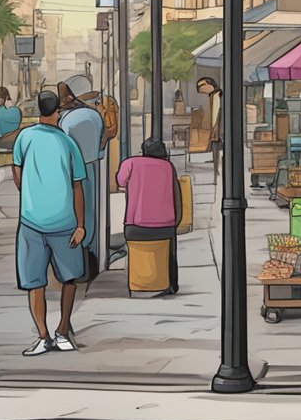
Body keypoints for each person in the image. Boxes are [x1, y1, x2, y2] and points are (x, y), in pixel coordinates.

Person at [12, 91, 87, 357]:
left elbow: (17, 171)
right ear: (59, 111)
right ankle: (63, 330)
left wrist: (31, 194)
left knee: (35, 282)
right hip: (65, 222)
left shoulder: (24, 137)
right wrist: (81, 224)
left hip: (30, 221)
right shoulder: (68, 143)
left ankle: (43, 336)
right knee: (70, 279)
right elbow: (78, 185)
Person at [116, 138, 181, 295]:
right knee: (170, 253)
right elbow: (176, 195)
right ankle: (170, 285)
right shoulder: (168, 167)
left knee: (136, 252)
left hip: (135, 227)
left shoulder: (130, 163)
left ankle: (138, 284)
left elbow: (120, 181)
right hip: (165, 227)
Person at [57, 75, 105, 279]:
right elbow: (101, 146)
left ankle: (76, 264)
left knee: (76, 216)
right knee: (91, 212)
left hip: (73, 172)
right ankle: (91, 259)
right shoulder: (94, 115)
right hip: (93, 167)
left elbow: (62, 148)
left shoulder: (67, 119)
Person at [196, 77, 221, 176]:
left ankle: (217, 171)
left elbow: (217, 114)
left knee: (217, 150)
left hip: (217, 129)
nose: (200, 89)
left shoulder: (218, 95)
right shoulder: (212, 96)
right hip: (215, 129)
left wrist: (215, 129)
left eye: (201, 86)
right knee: (215, 150)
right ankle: (216, 170)